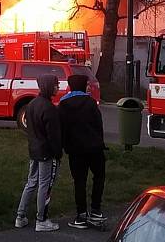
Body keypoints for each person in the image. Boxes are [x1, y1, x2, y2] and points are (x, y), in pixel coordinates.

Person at [58, 73, 106, 229]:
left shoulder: (63, 105)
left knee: (79, 181)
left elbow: (61, 128)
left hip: (75, 150)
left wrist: (65, 145)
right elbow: (98, 125)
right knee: (98, 177)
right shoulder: (91, 103)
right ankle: (96, 210)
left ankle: (81, 215)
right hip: (94, 148)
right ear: (83, 85)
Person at [15, 73, 62, 232]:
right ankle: (41, 219)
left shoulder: (32, 104)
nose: (58, 87)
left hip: (33, 150)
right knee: (44, 184)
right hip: (46, 152)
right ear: (49, 86)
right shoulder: (49, 108)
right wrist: (58, 153)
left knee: (31, 182)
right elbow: (54, 136)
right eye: (55, 85)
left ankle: (20, 216)